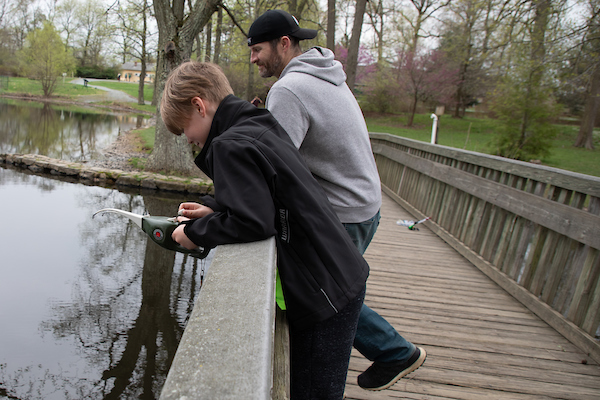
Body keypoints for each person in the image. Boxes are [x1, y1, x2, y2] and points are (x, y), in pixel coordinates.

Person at [160, 61, 369, 399]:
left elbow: (253, 221)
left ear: (199, 106)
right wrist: (216, 207)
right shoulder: (256, 121)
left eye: (184, 128)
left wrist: (196, 233)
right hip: (339, 273)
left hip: (325, 292)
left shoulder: (228, 145)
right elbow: (268, 191)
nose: (188, 139)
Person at [248, 9, 426, 391]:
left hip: (342, 212)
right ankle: (393, 351)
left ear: (284, 44)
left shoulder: (290, 89)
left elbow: (277, 169)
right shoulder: (326, 75)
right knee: (335, 291)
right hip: (365, 206)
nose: (253, 57)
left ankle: (394, 351)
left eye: (258, 49)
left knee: (327, 297)